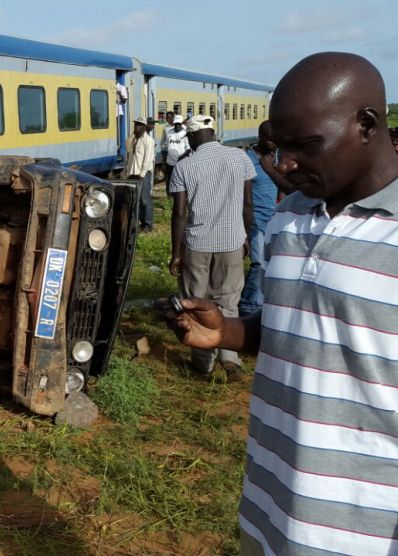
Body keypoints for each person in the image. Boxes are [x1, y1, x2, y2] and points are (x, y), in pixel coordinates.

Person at [160, 52, 398, 556]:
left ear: (367, 125)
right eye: (278, 146)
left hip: (361, 530)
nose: (284, 164)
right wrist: (228, 332)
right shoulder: (291, 215)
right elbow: (298, 330)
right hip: (271, 503)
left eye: (304, 145)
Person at [167, 114, 254, 381]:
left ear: (192, 137)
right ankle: (230, 359)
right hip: (231, 242)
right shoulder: (240, 158)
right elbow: (247, 204)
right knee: (228, 300)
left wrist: (176, 253)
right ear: (213, 132)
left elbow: (179, 214)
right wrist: (246, 237)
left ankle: (203, 363)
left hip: (198, 244)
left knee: (195, 302)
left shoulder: (185, 166)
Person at [238, 121, 293, 316]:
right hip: (254, 221)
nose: (275, 144)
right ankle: (248, 306)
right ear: (261, 138)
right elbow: (242, 197)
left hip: (272, 219)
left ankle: (255, 301)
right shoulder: (247, 160)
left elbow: (284, 187)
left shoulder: (276, 157)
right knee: (258, 263)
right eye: (271, 141)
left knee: (269, 264)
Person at [126, 118, 155, 231]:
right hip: (132, 173)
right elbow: (128, 148)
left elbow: (148, 159)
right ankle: (137, 222)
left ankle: (147, 224)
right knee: (135, 199)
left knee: (145, 199)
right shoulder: (134, 139)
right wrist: (133, 135)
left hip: (143, 174)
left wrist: (142, 174)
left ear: (144, 127)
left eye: (139, 125)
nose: (137, 127)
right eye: (135, 125)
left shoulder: (148, 140)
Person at [163, 115, 189, 186]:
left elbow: (188, 150)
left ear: (181, 124)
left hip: (181, 163)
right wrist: (165, 159)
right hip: (170, 162)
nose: (177, 126)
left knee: (180, 182)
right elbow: (166, 146)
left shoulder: (185, 133)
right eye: (175, 124)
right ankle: (169, 195)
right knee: (169, 180)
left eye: (178, 124)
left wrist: (181, 158)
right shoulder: (169, 132)